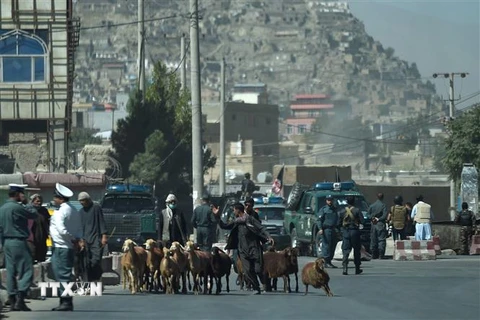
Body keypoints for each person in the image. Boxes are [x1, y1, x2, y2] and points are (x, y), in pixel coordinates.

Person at [213, 202, 273, 295]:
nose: (233, 212)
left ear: (238, 210)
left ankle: (266, 282)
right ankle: (256, 287)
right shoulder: (236, 222)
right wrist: (217, 216)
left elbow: (261, 228)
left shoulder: (250, 219)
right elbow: (224, 226)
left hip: (254, 248)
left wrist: (269, 237)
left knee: (258, 269)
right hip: (242, 250)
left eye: (234, 210)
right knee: (247, 270)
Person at [0, 184, 38, 311]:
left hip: (6, 242)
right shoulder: (18, 207)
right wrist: (27, 202)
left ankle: (12, 300)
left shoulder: (3, 208)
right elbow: (33, 214)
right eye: (22, 193)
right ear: (17, 194)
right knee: (27, 270)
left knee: (11, 271)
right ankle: (20, 299)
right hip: (19, 241)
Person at [50, 183, 83, 312]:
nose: (54, 199)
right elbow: (79, 228)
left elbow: (62, 230)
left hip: (61, 247)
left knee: (62, 275)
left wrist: (72, 239)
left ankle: (66, 301)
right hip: (67, 247)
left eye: (55, 197)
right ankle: (64, 300)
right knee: (65, 274)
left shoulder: (60, 211)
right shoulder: (73, 209)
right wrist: (76, 239)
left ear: (60, 198)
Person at [78, 192, 108, 283]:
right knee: (86, 262)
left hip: (96, 239)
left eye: (84, 200)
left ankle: (97, 277)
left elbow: (101, 221)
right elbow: (80, 227)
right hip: (85, 240)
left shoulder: (96, 208)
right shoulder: (81, 212)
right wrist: (81, 240)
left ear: (88, 200)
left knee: (96, 260)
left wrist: (104, 236)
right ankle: (91, 282)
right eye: (81, 201)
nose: (82, 203)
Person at [339, 196, 364, 276]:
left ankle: (345, 268)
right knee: (356, 251)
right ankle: (357, 268)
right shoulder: (357, 210)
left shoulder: (342, 211)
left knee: (345, 251)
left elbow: (338, 223)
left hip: (346, 232)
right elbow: (362, 221)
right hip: (354, 232)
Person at [317, 195, 339, 268]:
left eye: (331, 200)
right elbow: (319, 220)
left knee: (333, 245)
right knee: (326, 245)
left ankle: (329, 260)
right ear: (326, 201)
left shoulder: (335, 209)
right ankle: (325, 261)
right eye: (328, 200)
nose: (330, 201)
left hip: (333, 229)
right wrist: (320, 228)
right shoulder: (323, 209)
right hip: (326, 229)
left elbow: (337, 219)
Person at [28, 194, 50, 262]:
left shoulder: (44, 211)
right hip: (31, 239)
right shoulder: (28, 210)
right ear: (32, 201)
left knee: (42, 258)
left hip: (42, 238)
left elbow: (48, 222)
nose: (39, 203)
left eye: (40, 201)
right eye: (37, 201)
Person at [368, 193, 388, 259]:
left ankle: (373, 254)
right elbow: (385, 215)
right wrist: (378, 219)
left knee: (373, 239)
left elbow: (368, 215)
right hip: (380, 224)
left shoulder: (372, 205)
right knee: (381, 239)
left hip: (373, 224)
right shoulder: (383, 205)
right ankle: (381, 255)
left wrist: (372, 218)